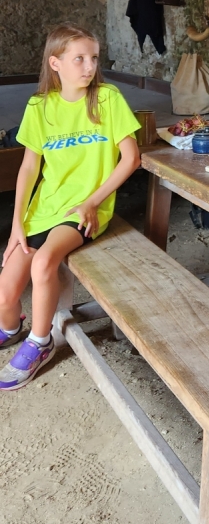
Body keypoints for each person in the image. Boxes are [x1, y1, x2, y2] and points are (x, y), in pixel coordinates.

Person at [0, 24, 141, 391]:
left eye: (93, 58)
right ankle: (12, 329)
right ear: (56, 63)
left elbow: (131, 159)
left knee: (44, 262)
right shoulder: (39, 106)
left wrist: (93, 201)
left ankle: (40, 342)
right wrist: (17, 224)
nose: (89, 66)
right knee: (5, 293)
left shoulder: (107, 99)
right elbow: (29, 168)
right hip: (43, 208)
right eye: (79, 58)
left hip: (83, 209)